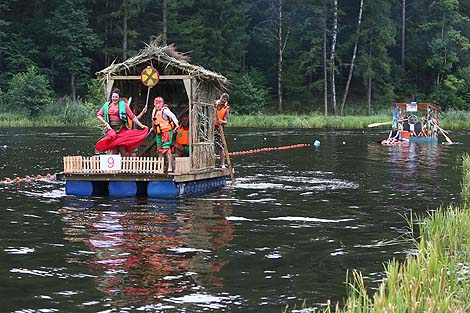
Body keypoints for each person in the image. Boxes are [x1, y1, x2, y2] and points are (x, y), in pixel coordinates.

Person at [96, 88, 148, 156]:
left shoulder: (124, 105)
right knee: (114, 150)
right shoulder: (106, 106)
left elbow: (132, 117)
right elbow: (98, 115)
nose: (114, 98)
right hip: (111, 130)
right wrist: (105, 123)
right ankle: (114, 166)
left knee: (122, 149)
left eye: (116, 97)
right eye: (113, 97)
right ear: (111, 97)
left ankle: (125, 165)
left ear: (119, 98)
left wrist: (141, 125)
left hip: (122, 129)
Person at [152, 97, 179, 172]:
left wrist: (177, 125)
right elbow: (155, 121)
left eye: (159, 103)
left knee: (166, 148)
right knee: (159, 149)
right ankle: (161, 166)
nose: (157, 105)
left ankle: (169, 167)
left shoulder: (165, 110)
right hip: (158, 132)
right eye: (156, 103)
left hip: (166, 132)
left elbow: (173, 116)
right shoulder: (155, 111)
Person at [214, 93, 230, 168]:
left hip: (218, 128)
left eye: (225, 99)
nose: (224, 100)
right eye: (223, 98)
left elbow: (226, 121)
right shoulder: (215, 105)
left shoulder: (226, 108)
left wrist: (222, 121)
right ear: (220, 97)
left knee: (220, 146)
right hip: (210, 126)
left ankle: (222, 164)